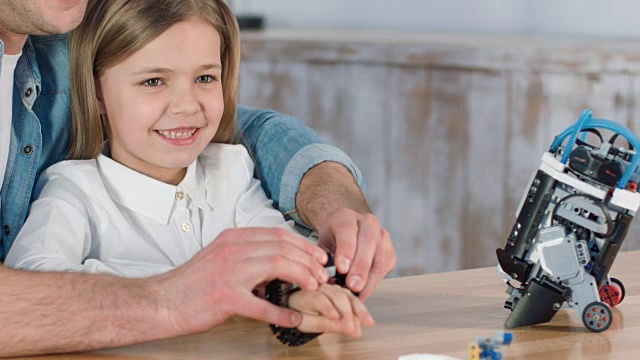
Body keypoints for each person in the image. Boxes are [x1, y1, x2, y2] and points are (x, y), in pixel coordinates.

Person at [0, 0, 395, 357]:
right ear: (95, 93)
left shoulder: (231, 170)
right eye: (153, 81)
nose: (187, 105)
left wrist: (300, 294)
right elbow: (35, 277)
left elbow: (278, 256)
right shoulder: (73, 189)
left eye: (205, 78)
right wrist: (179, 287)